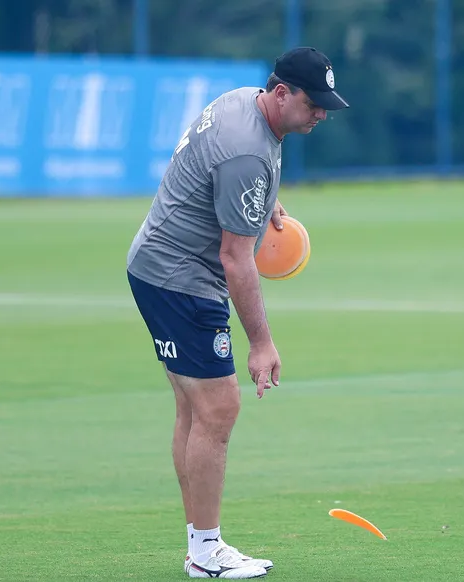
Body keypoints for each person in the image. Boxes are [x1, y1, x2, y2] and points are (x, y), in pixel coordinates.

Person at [126, 46, 349, 579]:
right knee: (219, 409)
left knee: (195, 410)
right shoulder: (247, 151)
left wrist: (263, 198)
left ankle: (199, 545)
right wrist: (262, 343)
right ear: (280, 92)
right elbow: (236, 260)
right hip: (181, 279)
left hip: (155, 266)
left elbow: (226, 167)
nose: (321, 112)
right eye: (313, 102)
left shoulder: (241, 104)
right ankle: (205, 552)